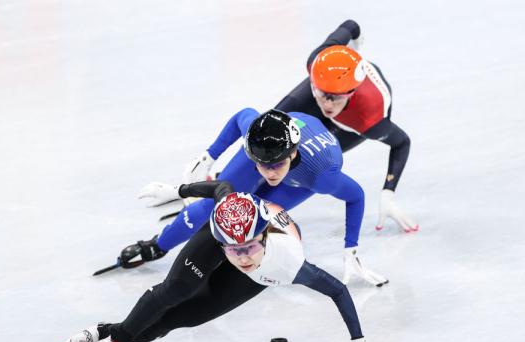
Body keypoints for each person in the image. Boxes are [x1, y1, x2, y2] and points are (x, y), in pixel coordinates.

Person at [50, 181, 396, 342]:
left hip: (264, 266)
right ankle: (115, 339)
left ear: (264, 237)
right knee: (174, 291)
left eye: (248, 248)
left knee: (180, 318)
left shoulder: (288, 261)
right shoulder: (227, 222)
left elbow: (338, 290)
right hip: (222, 233)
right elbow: (222, 188)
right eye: (233, 251)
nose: (241, 257)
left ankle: (104, 329)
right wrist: (177, 190)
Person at [183, 20, 418, 233]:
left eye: (333, 98)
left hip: (351, 123)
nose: (326, 104)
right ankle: (223, 178)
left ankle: (256, 194)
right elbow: (351, 25)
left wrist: (388, 192)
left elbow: (402, 143)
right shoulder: (318, 61)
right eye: (321, 94)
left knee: (309, 160)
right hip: (333, 85)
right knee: (268, 130)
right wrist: (353, 47)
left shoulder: (369, 121)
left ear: (351, 93)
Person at [132, 109, 387, 285]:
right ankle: (158, 245)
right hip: (282, 141)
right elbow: (242, 115)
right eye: (262, 165)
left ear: (292, 154)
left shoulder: (321, 177)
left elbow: (356, 196)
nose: (269, 173)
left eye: (276, 165)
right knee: (213, 207)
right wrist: (208, 157)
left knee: (254, 217)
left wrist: (350, 249)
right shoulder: (258, 133)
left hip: (303, 176)